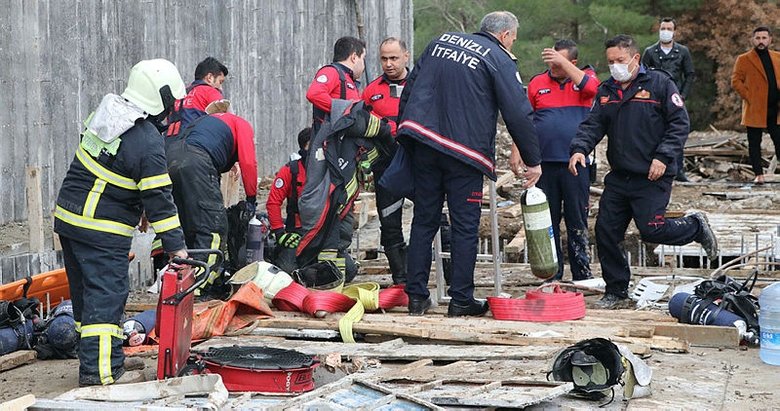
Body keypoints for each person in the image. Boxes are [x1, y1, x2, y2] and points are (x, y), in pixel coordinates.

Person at [395, 11, 542, 317]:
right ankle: (461, 299)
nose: (512, 44)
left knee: (424, 221)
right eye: (513, 38)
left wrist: (403, 131)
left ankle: (416, 297)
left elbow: (410, 88)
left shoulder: (439, 43)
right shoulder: (498, 58)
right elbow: (518, 112)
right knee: (464, 226)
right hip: (464, 153)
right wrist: (533, 160)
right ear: (504, 35)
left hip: (423, 142)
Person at [54, 59, 188, 385]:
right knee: (106, 299)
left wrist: (136, 205)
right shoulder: (147, 139)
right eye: (171, 102)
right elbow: (161, 200)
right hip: (101, 229)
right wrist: (177, 249)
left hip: (70, 219)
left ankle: (102, 360)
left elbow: (113, 168)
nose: (173, 110)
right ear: (161, 99)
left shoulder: (110, 112)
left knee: (88, 300)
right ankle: (102, 376)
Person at [569, 34, 718, 309]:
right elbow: (592, 125)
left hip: (653, 174)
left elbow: (679, 124)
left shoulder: (660, 84)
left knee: (652, 230)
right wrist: (579, 148)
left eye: (620, 60)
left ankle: (695, 226)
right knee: (606, 231)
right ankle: (616, 291)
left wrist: (663, 156)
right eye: (610, 61)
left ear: (635, 58)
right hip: (620, 176)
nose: (615, 66)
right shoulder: (607, 91)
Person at [510, 39, 596, 282]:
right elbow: (524, 121)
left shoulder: (585, 78)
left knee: (576, 218)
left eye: (559, 63)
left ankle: (582, 274)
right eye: (551, 63)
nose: (554, 68)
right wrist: (517, 150)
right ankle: (552, 273)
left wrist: (564, 65)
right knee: (547, 220)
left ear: (573, 62)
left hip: (575, 163)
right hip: (543, 164)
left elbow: (593, 89)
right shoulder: (538, 82)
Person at [166, 112, 257, 293]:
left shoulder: (204, 124)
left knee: (188, 226)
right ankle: (201, 285)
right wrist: (251, 199)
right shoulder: (241, 124)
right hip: (197, 161)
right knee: (213, 227)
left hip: (170, 159)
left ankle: (180, 282)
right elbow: (248, 162)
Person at [361, 37, 411, 285]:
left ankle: (445, 274)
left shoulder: (421, 85)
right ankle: (401, 279)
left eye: (394, 58)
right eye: (384, 59)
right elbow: (362, 127)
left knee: (434, 219)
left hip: (416, 163)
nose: (389, 64)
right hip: (385, 166)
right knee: (389, 222)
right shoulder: (371, 91)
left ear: (406, 56)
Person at [642, 17, 695, 182]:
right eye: (663, 28)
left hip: (675, 96)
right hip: (654, 98)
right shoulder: (650, 52)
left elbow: (690, 74)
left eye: (669, 28)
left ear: (674, 31)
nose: (665, 31)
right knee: (654, 131)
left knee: (676, 131)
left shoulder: (683, 51)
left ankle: (678, 170)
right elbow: (642, 74)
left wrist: (683, 95)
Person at [731, 26, 780, 185]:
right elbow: (736, 81)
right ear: (753, 40)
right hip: (755, 108)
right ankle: (758, 174)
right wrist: (749, 96)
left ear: (770, 40)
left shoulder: (778, 57)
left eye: (764, 38)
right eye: (758, 38)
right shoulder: (744, 59)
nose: (761, 41)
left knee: (778, 139)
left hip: (775, 107)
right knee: (754, 142)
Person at [266, 127, 312, 274]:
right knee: (287, 270)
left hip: (322, 230)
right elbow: (273, 202)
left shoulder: (328, 169)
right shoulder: (290, 171)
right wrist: (280, 233)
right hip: (297, 230)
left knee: (347, 270)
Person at [306, 36, 366, 136]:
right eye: (363, 59)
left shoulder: (348, 80)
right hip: (331, 143)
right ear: (354, 57)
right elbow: (314, 94)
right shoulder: (332, 71)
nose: (364, 65)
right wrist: (346, 112)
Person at [166, 56, 229, 138]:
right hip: (197, 145)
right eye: (220, 82)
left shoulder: (178, 95)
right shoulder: (210, 92)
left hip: (169, 146)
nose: (220, 88)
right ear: (209, 77)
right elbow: (225, 123)